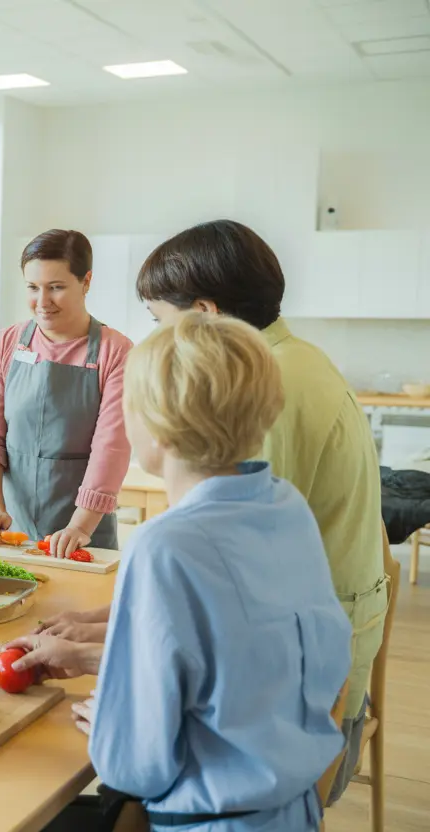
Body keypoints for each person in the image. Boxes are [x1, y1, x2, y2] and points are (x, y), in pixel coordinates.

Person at [9, 313, 352, 831]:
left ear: (156, 426)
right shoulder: (286, 507)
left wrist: (110, 721)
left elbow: (135, 768)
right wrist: (95, 658)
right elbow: (238, 657)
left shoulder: (163, 544)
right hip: (295, 812)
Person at [132, 219, 388, 803]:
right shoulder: (295, 359)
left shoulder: (266, 387)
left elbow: (235, 580)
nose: (158, 344)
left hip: (301, 711)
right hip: (325, 665)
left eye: (159, 325)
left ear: (204, 313)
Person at [0, 230, 134, 557]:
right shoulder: (7, 342)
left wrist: (80, 526)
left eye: (56, 287)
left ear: (86, 281)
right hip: (10, 533)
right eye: (33, 288)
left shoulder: (115, 351)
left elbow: (111, 449)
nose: (42, 302)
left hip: (82, 535)